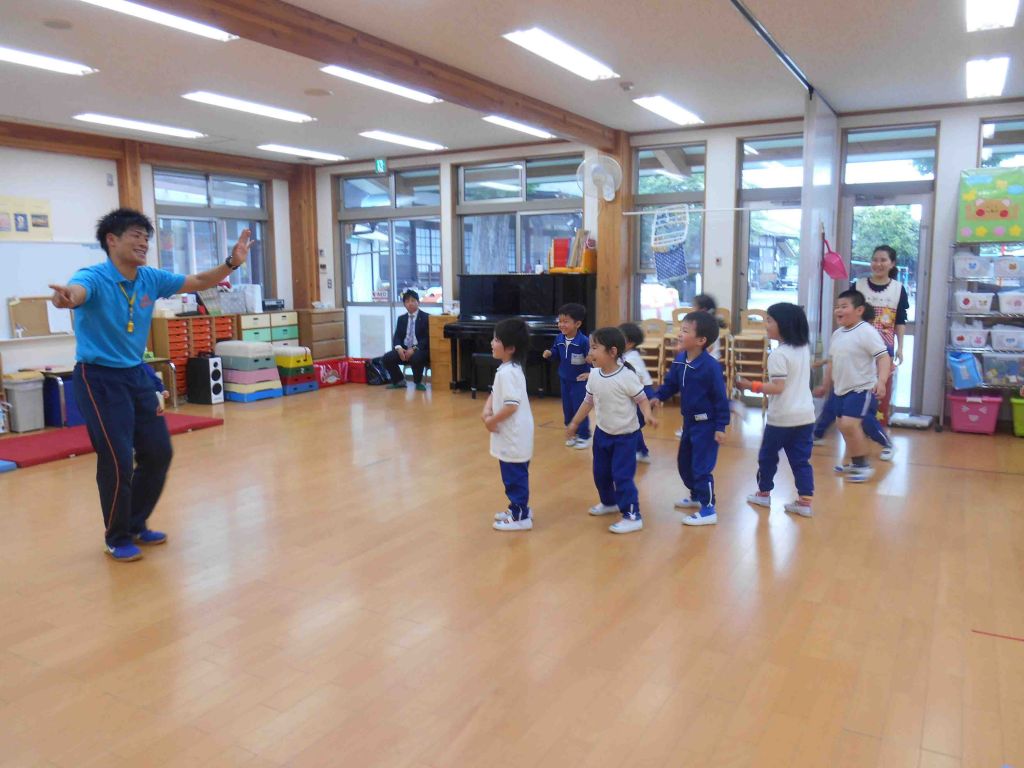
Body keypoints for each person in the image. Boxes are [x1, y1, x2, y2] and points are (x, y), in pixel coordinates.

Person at [48, 208, 252, 562]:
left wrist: (231, 264)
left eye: (146, 237)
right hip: (99, 378)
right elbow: (76, 293)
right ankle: (117, 536)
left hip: (136, 373)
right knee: (117, 459)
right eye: (135, 235)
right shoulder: (93, 276)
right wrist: (65, 298)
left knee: (158, 452)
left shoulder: (150, 278)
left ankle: (135, 522)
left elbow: (198, 280)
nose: (144, 242)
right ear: (112, 240)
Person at [567, 327, 656, 534]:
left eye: (594, 348)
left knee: (622, 476)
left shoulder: (627, 376)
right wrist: (574, 423)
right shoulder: (595, 375)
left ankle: (632, 515)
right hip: (602, 434)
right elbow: (588, 402)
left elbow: (642, 399)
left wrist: (648, 415)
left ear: (613, 352)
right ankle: (609, 502)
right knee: (601, 473)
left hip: (625, 437)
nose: (590, 352)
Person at [651, 311, 730, 526]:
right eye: (681, 329)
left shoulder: (711, 367)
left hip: (707, 425)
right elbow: (671, 384)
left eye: (685, 331)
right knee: (684, 463)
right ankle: (696, 495)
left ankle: (708, 508)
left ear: (701, 340)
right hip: (689, 423)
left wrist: (721, 426)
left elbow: (721, 399)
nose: (679, 334)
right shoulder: (680, 360)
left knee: (701, 467)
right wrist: (658, 397)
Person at [738, 303, 816, 517]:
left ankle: (763, 493)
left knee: (767, 457)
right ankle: (805, 502)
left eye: (769, 320)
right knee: (801, 461)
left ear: (784, 324)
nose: (766, 325)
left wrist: (750, 385)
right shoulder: (803, 348)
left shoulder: (778, 355)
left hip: (782, 419)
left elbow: (777, 387)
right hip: (805, 417)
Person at [814, 289, 891, 483]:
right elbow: (833, 361)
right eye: (837, 307)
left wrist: (881, 381)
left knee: (850, 424)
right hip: (840, 389)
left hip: (860, 388)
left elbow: (883, 357)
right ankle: (855, 461)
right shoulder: (838, 334)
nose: (838, 310)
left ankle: (863, 465)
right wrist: (825, 385)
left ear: (859, 310)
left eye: (844, 306)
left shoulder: (866, 331)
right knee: (843, 426)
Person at [483, 318, 534, 532]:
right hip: (513, 432)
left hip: (514, 433)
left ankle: (520, 515)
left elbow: (511, 405)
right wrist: (487, 409)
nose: (492, 343)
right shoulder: (508, 368)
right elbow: (496, 392)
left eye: (496, 340)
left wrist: (491, 421)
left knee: (514, 475)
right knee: (512, 472)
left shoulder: (509, 372)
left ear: (511, 348)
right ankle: (517, 508)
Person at [543, 302, 591, 448]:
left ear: (577, 324)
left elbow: (592, 358)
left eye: (565, 322)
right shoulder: (559, 338)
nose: (561, 325)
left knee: (579, 407)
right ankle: (572, 433)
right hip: (565, 378)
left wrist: (590, 373)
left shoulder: (584, 341)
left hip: (579, 381)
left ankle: (584, 435)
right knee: (567, 407)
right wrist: (550, 353)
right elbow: (556, 352)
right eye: (560, 321)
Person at [619, 322, 655, 464]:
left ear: (630, 343)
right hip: (639, 394)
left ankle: (636, 452)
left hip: (644, 396)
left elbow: (636, 377)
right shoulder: (626, 355)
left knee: (630, 426)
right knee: (632, 426)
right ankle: (641, 451)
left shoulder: (631, 358)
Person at [383, 289, 430, 390]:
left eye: (413, 301)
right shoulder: (401, 319)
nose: (410, 303)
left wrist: (414, 349)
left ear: (418, 302)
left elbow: (427, 339)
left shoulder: (426, 317)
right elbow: (397, 337)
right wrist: (399, 348)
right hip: (404, 349)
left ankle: (418, 382)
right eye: (407, 301)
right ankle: (399, 381)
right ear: (404, 304)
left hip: (420, 349)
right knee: (387, 358)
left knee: (416, 357)